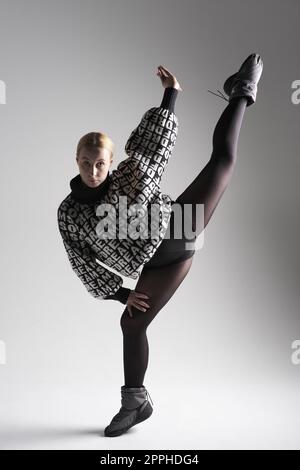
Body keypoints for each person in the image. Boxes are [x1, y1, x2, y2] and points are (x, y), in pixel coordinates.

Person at [57, 54, 263, 437]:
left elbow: (153, 147)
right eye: (85, 163)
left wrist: (171, 95)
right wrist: (123, 295)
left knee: (222, 160)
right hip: (156, 265)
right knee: (131, 324)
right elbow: (82, 261)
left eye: (100, 163)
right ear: (76, 161)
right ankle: (136, 402)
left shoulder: (128, 177)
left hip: (178, 228)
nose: (92, 171)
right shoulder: (69, 213)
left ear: (110, 162)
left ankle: (241, 93)